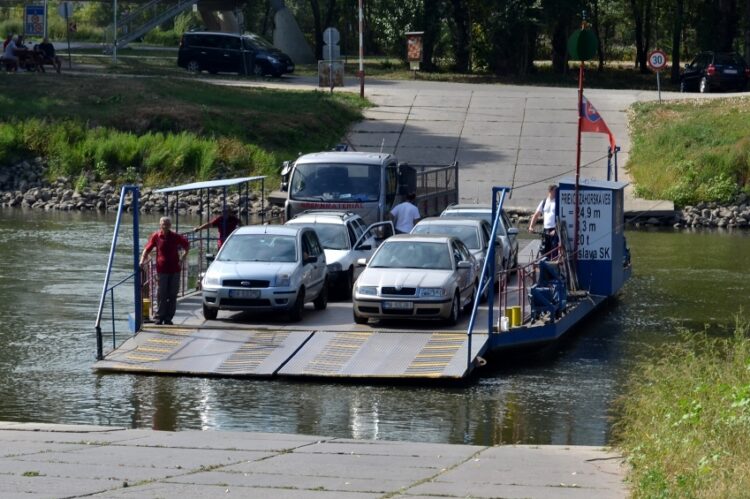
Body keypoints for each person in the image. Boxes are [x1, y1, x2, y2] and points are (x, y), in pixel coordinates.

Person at [140, 217, 190, 325]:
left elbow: (187, 245)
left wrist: (182, 258)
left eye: (167, 224)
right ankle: (159, 316)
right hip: (161, 269)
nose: (165, 226)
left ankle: (168, 317)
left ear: (170, 225)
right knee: (161, 293)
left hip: (175, 269)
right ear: (160, 225)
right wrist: (141, 261)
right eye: (163, 224)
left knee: (172, 294)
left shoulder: (175, 236)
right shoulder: (156, 236)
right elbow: (147, 249)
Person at [528, 184, 559, 258]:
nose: (557, 193)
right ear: (550, 191)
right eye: (555, 191)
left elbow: (561, 217)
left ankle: (554, 266)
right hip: (546, 230)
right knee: (545, 252)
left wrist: (556, 229)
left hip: (555, 230)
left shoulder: (558, 202)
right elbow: (536, 215)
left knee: (554, 252)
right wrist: (531, 227)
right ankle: (545, 267)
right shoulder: (544, 202)